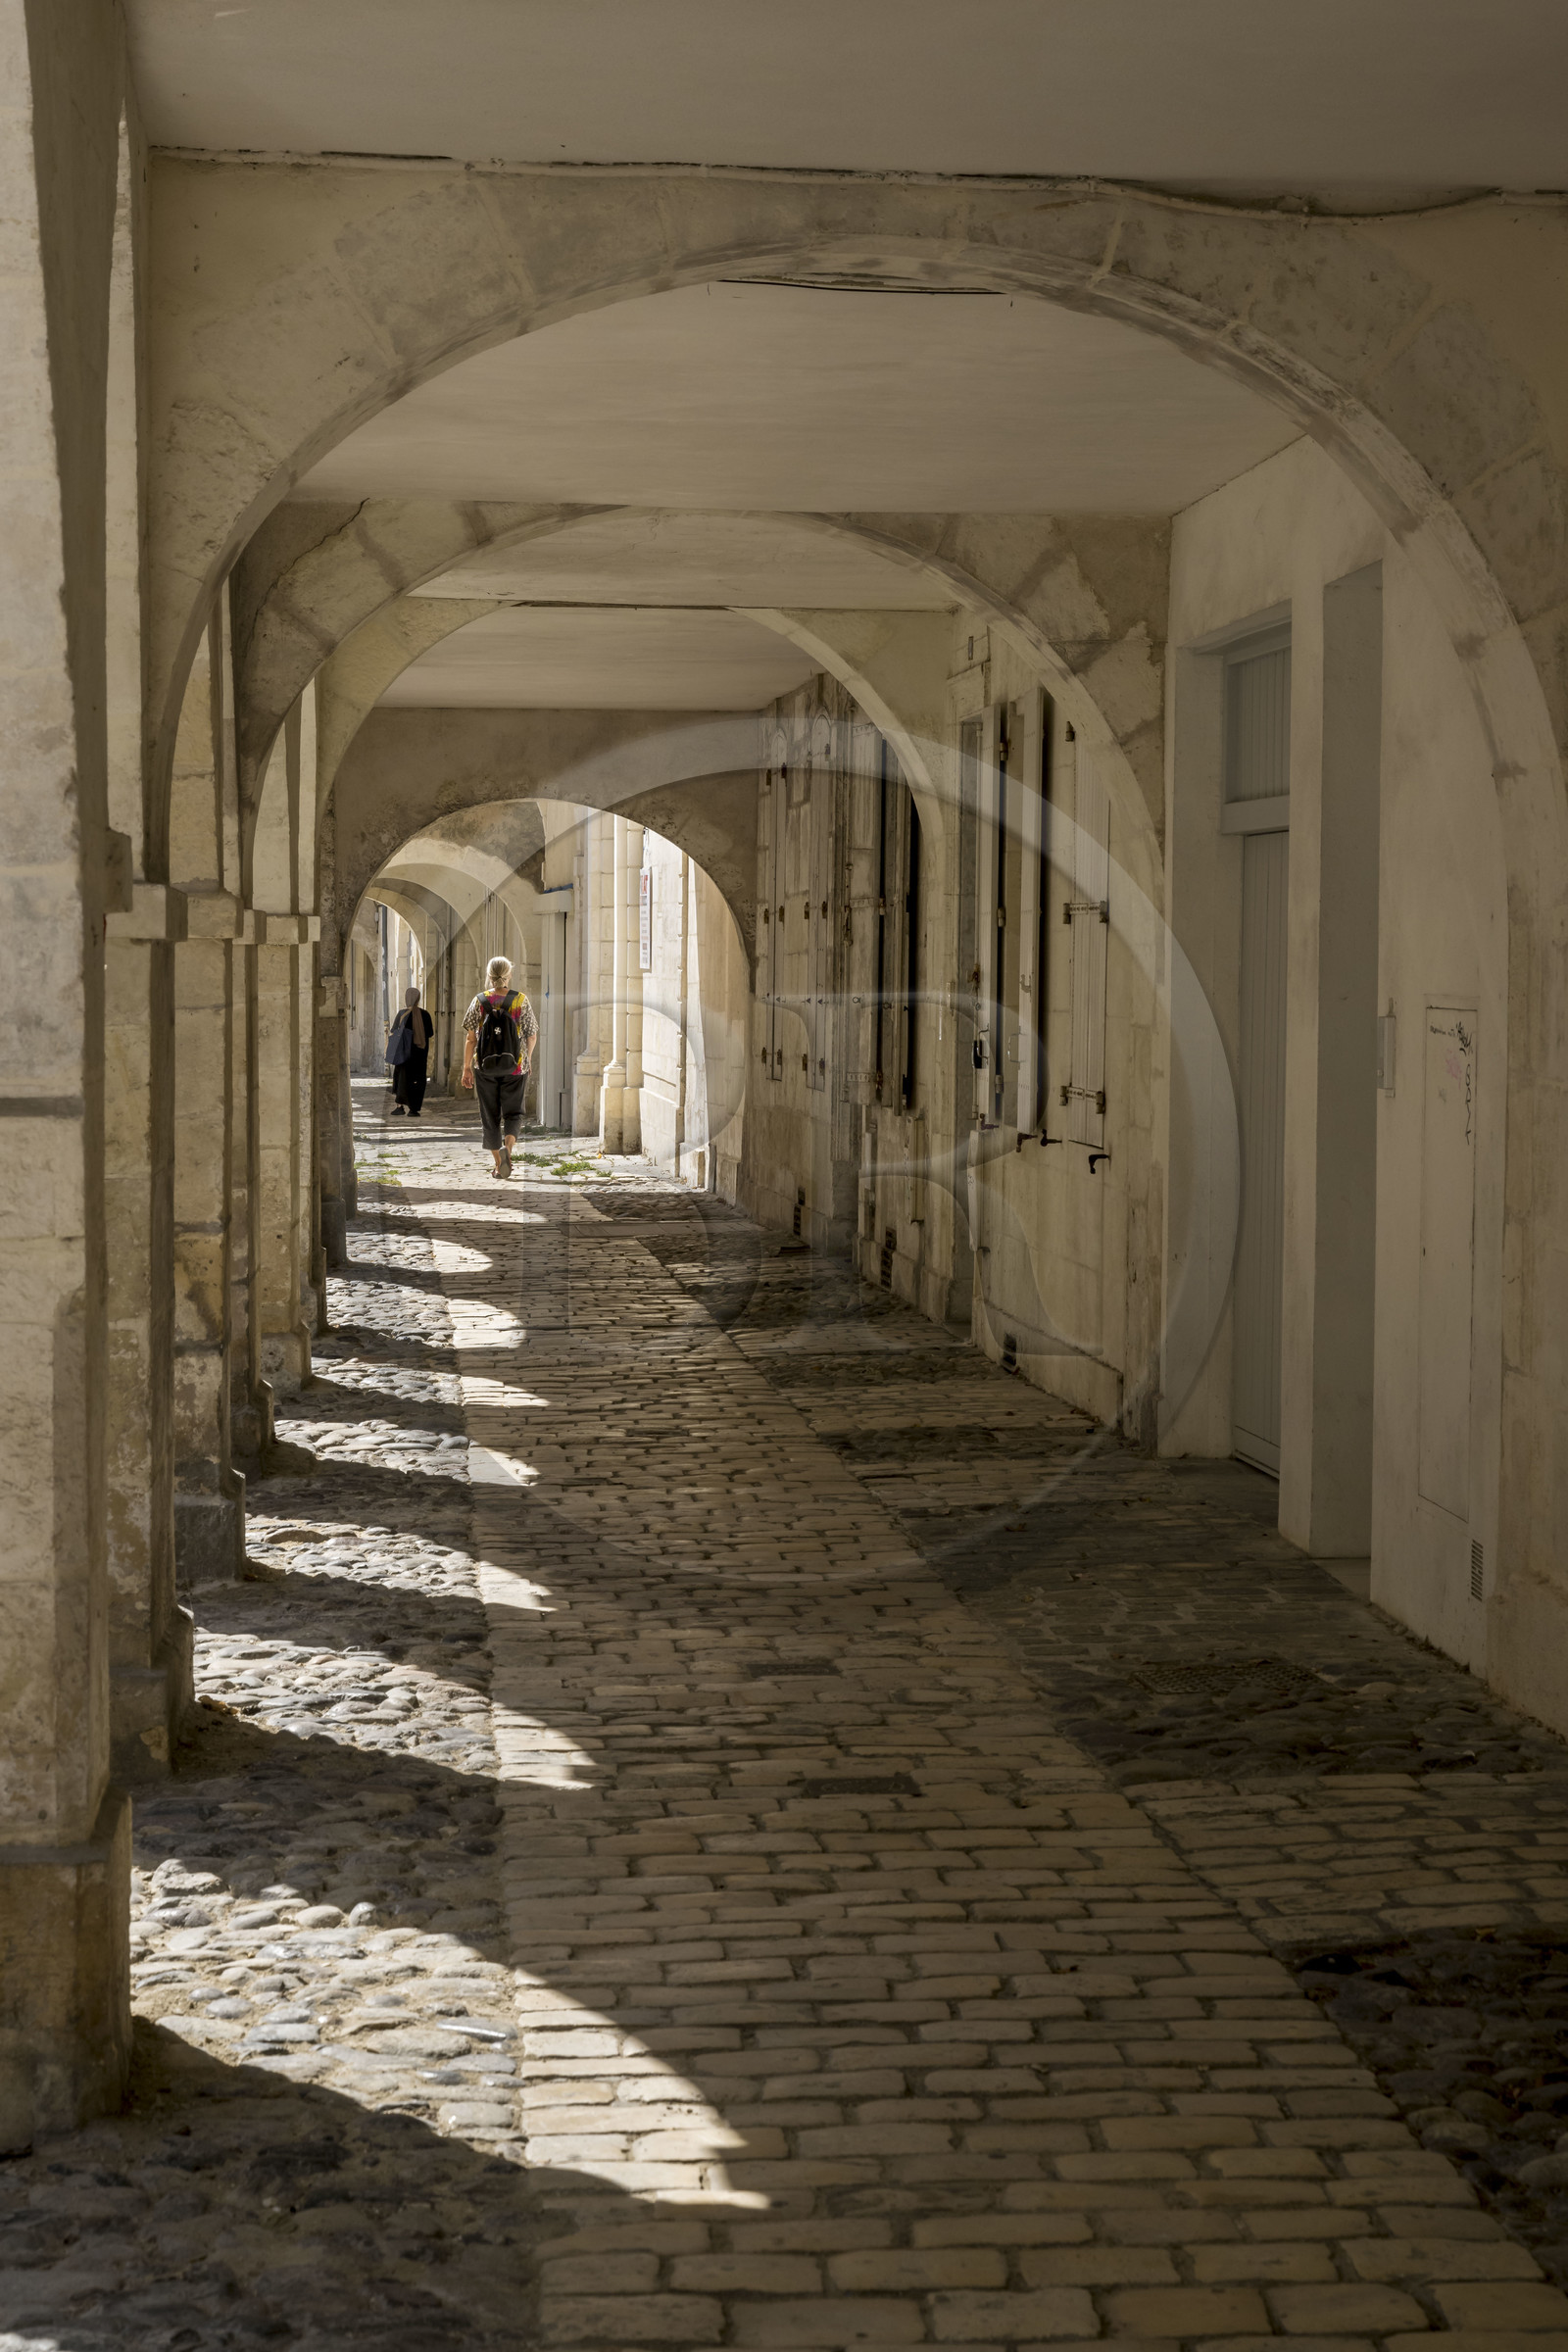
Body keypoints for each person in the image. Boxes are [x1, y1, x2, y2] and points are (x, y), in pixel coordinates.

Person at [462, 955, 538, 1179]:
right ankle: (509, 1148)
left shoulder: (480, 1001)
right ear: (509, 975)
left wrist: (466, 1067)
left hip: (485, 1068)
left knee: (490, 1115)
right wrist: (527, 1059)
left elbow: (470, 1038)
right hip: (515, 1068)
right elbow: (532, 1035)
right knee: (514, 1113)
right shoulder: (520, 1000)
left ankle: (498, 1164)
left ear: (489, 976)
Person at [385, 985, 433, 1117]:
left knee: (401, 1079)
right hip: (420, 1055)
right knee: (418, 1080)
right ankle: (414, 1109)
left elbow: (394, 1030)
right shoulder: (425, 1014)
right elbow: (430, 1033)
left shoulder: (402, 1014)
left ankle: (399, 1107)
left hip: (404, 1055)